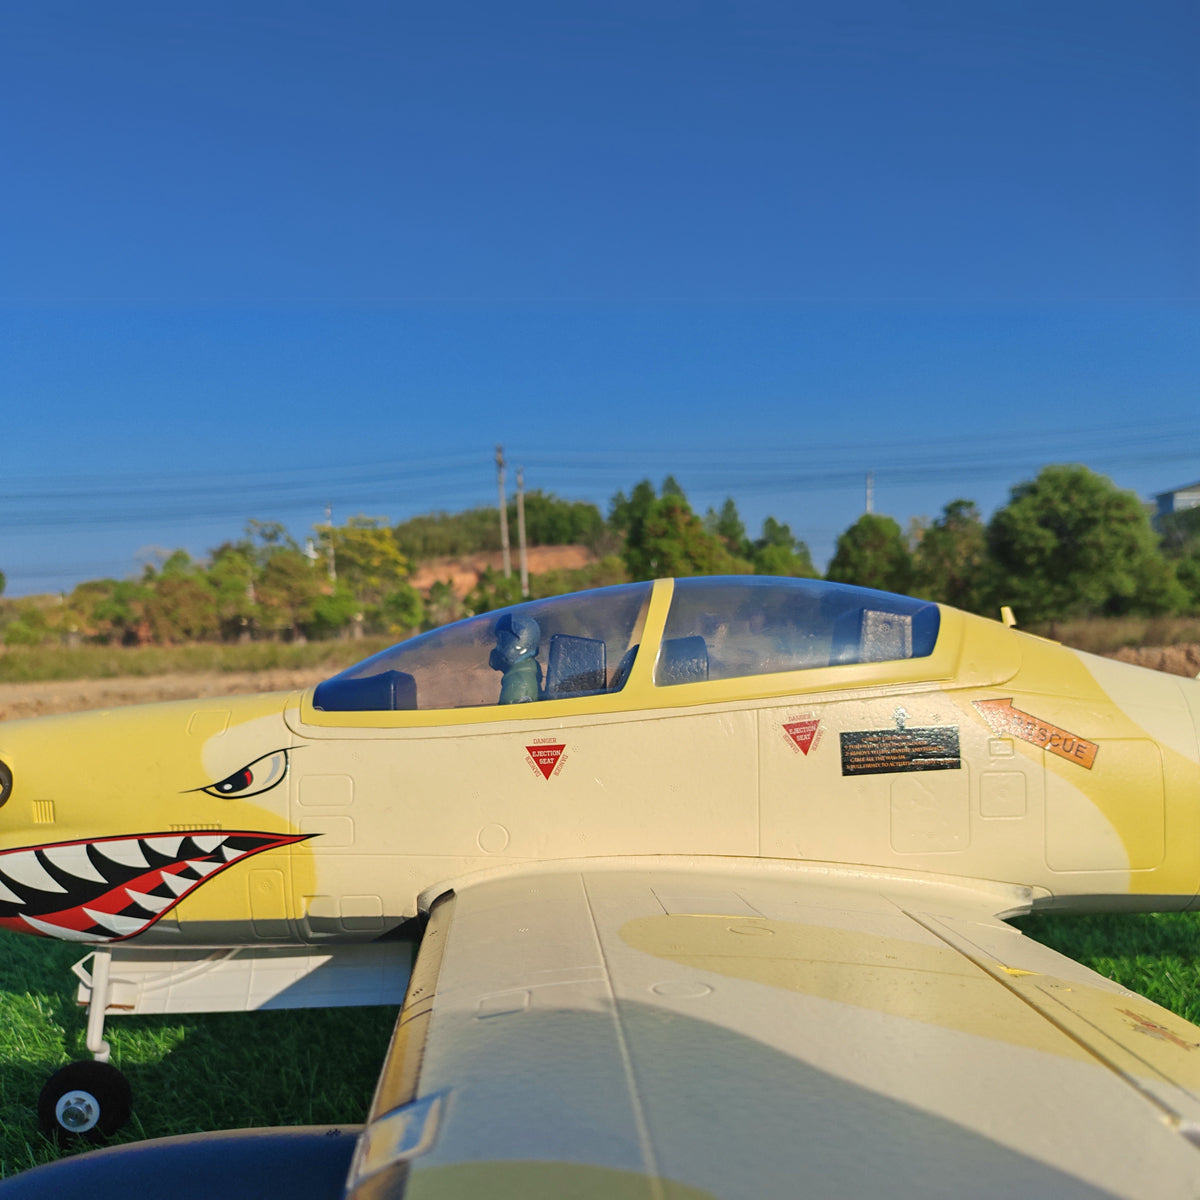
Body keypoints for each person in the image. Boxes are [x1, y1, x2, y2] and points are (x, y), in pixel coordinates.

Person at [489, 612, 542, 703]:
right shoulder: (525, 671)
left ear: (519, 643)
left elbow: (507, 712)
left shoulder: (518, 682)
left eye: (502, 641)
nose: (497, 648)